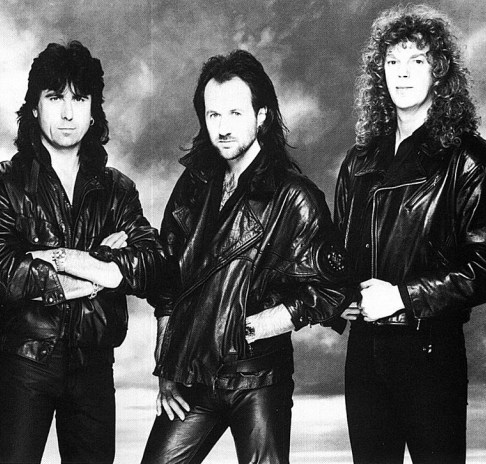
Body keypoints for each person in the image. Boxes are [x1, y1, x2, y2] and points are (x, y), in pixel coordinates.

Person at [141, 49, 351, 464]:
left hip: (258, 378)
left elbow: (331, 290)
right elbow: (167, 281)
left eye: (235, 113)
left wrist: (250, 327)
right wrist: (168, 365)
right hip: (193, 374)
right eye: (213, 115)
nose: (222, 128)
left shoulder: (295, 197)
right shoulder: (195, 182)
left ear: (262, 116)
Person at [0, 40, 162, 464]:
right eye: (56, 97)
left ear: (94, 112)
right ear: (34, 107)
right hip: (26, 360)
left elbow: (153, 263)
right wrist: (102, 270)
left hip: (95, 364)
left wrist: (60, 259)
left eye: (80, 99)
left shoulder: (117, 189)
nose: (68, 113)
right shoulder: (4, 182)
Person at [335, 5, 486, 463]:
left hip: (430, 353)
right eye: (392, 61)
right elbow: (340, 251)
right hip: (364, 354)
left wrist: (402, 297)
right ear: (380, 72)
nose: (403, 73)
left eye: (417, 60)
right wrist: (339, 296)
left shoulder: (471, 159)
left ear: (440, 71)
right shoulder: (359, 161)